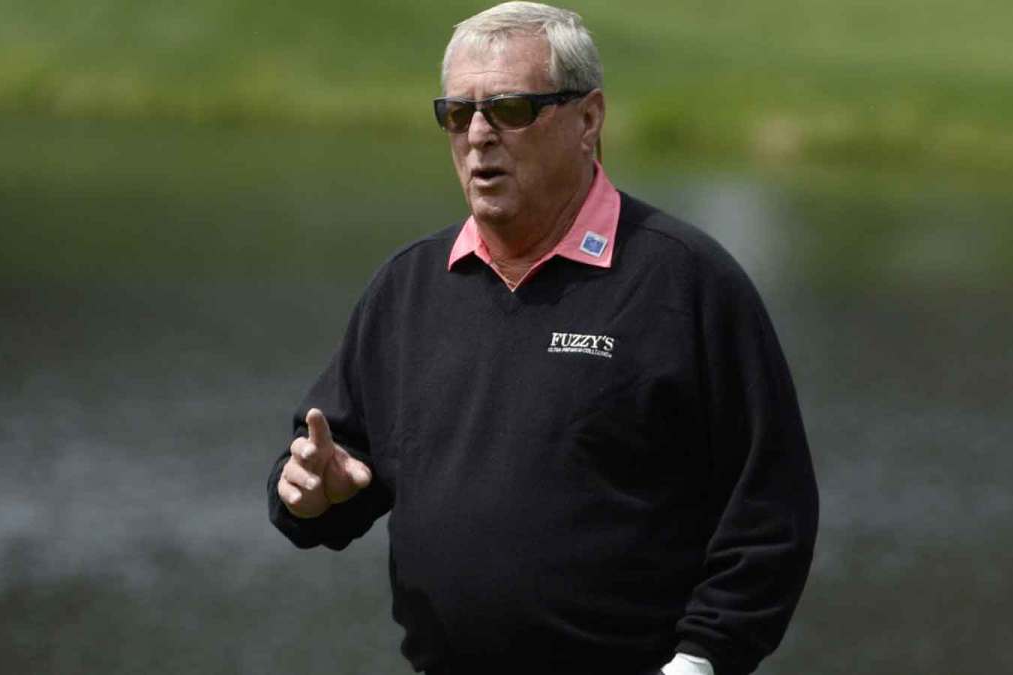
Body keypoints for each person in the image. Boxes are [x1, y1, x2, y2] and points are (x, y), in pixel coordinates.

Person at [267, 3, 818, 674]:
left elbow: (770, 512)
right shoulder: (408, 287)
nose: (477, 135)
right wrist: (310, 495)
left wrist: (702, 659)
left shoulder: (686, 282)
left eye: (511, 109)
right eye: (456, 113)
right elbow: (329, 463)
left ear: (588, 120)